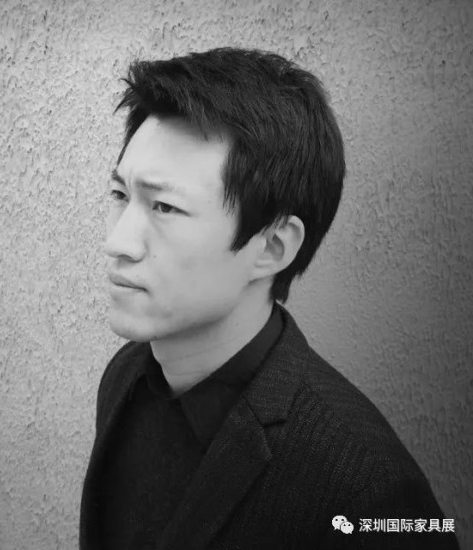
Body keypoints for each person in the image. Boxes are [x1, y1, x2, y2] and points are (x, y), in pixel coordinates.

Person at [80, 48, 459, 549]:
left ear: (273, 247)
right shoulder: (126, 379)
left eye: (165, 206)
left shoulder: (369, 491)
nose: (118, 242)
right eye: (120, 195)